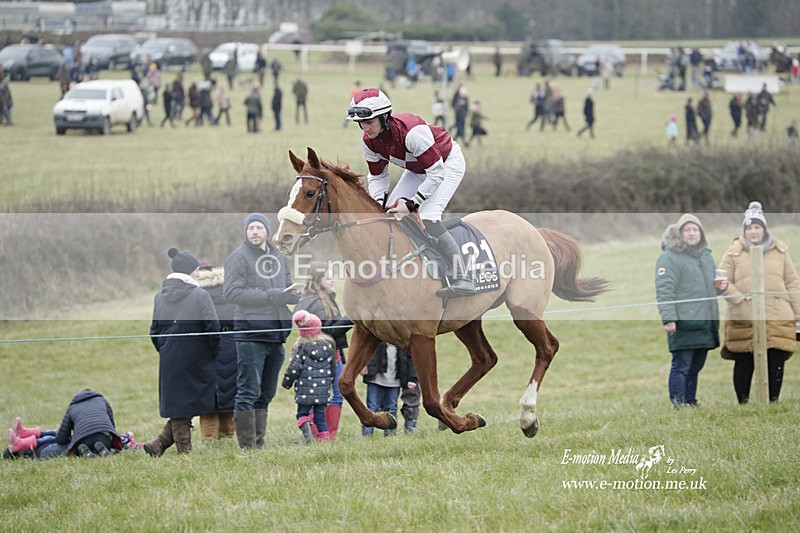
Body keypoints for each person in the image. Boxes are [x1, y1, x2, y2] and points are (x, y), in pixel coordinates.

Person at [345, 88, 477, 297]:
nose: (365, 128)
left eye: (369, 122)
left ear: (384, 117)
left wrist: (412, 204)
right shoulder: (368, 141)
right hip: (417, 169)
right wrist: (378, 206)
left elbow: (435, 173)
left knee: (427, 216)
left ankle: (463, 276)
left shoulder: (412, 133)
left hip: (445, 164)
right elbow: (378, 177)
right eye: (361, 123)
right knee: (389, 215)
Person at [223, 213, 300, 450]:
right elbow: (231, 293)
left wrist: (292, 295)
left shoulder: (278, 256)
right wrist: (271, 296)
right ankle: (248, 447)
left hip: (276, 334)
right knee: (248, 391)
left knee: (266, 393)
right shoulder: (238, 258)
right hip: (251, 334)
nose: (255, 232)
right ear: (246, 232)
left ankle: (259, 442)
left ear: (267, 231)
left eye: (259, 228)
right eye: (251, 228)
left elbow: (285, 287)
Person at [718, 202, 800, 403]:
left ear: (764, 229)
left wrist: (798, 314)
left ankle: (773, 402)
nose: (753, 231)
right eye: (749, 228)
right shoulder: (733, 252)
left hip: (776, 315)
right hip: (745, 316)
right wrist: (739, 299)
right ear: (744, 230)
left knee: (776, 358)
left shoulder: (780, 251)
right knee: (745, 360)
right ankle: (743, 403)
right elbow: (720, 281)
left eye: (757, 227)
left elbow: (792, 282)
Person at [146, 248, 220, 456]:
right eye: (196, 270)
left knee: (182, 403)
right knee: (185, 405)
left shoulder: (159, 297)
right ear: (190, 271)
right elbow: (212, 328)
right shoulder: (200, 294)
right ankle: (184, 453)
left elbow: (154, 331)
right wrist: (211, 353)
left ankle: (158, 444)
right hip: (198, 358)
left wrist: (167, 349)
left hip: (170, 358)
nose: (198, 273)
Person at [655, 214, 720, 409]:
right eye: (687, 230)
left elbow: (712, 286)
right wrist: (669, 318)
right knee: (681, 365)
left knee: (696, 365)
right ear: (680, 233)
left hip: (705, 321)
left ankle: (691, 401)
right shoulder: (669, 257)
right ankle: (679, 403)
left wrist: (722, 287)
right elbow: (664, 290)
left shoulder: (706, 256)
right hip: (683, 322)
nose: (692, 234)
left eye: (695, 229)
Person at [294, 262, 353, 439]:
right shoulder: (318, 303)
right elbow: (328, 332)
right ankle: (325, 435)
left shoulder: (320, 299)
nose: (332, 279)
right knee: (334, 395)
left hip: (328, 355)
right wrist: (351, 318)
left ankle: (321, 433)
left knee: (321, 395)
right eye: (328, 277)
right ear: (318, 279)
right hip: (325, 357)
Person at [7, 389, 124, 459]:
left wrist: (73, 438)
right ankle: (24, 439)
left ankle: (24, 438)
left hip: (81, 439)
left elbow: (61, 438)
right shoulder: (102, 401)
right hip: (104, 438)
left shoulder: (73, 407)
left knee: (55, 442)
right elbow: (111, 427)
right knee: (62, 441)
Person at [196, 261, 238, 440]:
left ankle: (209, 438)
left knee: (209, 398)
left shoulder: (197, 294)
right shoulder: (230, 291)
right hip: (233, 344)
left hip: (208, 346)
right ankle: (229, 434)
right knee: (230, 391)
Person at [282, 310, 337, 443]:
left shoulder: (301, 346)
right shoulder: (329, 344)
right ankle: (325, 439)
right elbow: (333, 367)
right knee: (320, 417)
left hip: (304, 391)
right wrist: (331, 381)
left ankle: (308, 436)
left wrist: (286, 383)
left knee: (302, 414)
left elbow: (294, 368)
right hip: (323, 390)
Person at [361, 342, 416, 436]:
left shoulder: (403, 342)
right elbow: (364, 349)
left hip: (394, 382)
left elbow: (411, 359)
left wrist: (412, 378)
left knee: (391, 409)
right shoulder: (375, 339)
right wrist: (362, 365)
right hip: (375, 379)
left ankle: (390, 436)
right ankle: (366, 436)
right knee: (371, 408)